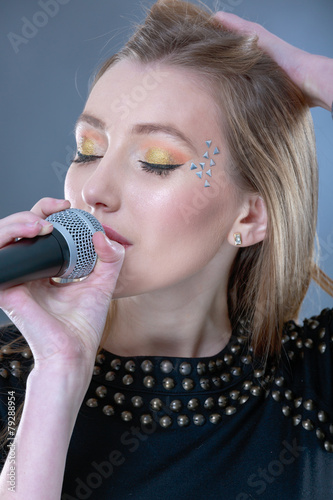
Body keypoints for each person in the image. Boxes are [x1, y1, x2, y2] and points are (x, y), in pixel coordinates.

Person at [0, 1, 332, 498]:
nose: (94, 190)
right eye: (88, 150)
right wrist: (57, 376)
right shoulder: (11, 377)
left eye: (156, 161)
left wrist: (310, 73)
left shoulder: (315, 386)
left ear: (250, 216)